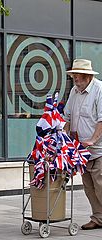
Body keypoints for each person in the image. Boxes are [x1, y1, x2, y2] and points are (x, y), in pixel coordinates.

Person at [64, 58, 102, 230]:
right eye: (73, 76)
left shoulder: (99, 90)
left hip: (98, 150)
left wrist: (93, 140)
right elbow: (68, 117)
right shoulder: (74, 91)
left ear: (87, 76)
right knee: (89, 187)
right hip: (79, 150)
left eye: (77, 76)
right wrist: (63, 140)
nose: (75, 79)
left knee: (100, 187)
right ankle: (98, 218)